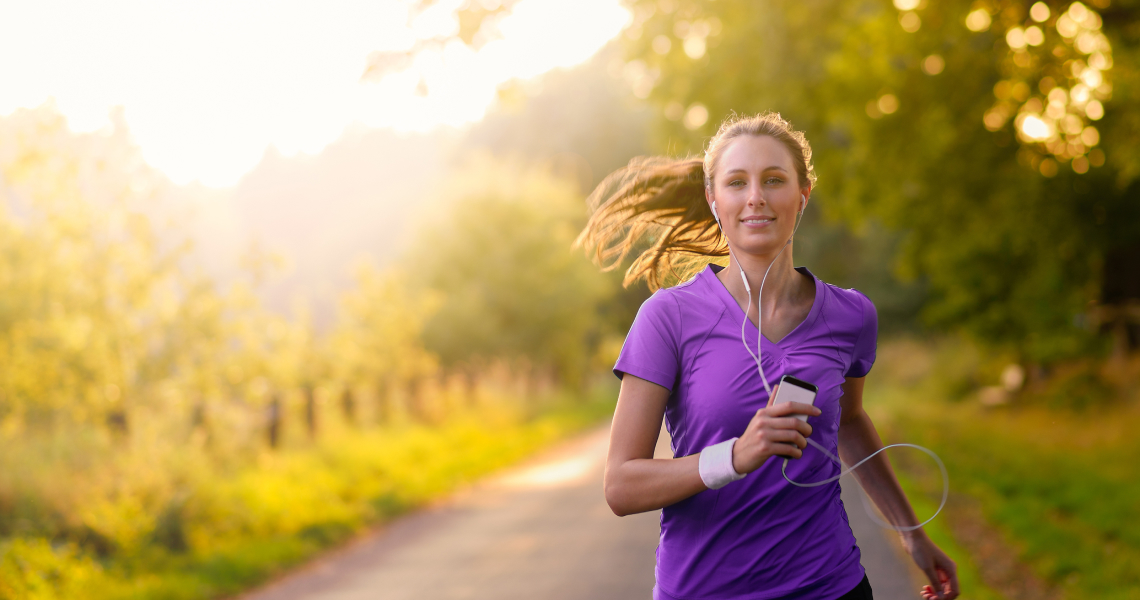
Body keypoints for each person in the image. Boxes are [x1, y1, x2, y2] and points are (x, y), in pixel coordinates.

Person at [576, 113, 960, 600]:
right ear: (715, 201)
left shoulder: (851, 316)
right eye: (737, 182)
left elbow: (850, 420)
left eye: (773, 180)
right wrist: (736, 456)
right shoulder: (668, 317)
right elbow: (621, 486)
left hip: (831, 585)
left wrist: (913, 534)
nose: (755, 196)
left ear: (802, 194)